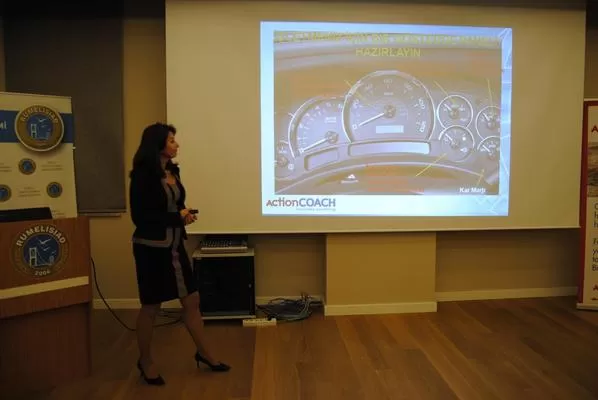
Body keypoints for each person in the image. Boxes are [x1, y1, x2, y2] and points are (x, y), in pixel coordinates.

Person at [128, 122, 230, 386]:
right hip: (151, 249)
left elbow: (176, 204)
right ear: (158, 144)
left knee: (192, 300)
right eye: (171, 140)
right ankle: (145, 361)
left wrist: (184, 214)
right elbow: (141, 217)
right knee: (151, 306)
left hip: (175, 246)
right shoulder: (142, 176)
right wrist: (177, 217)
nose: (176, 145)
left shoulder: (173, 170)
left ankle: (205, 353)